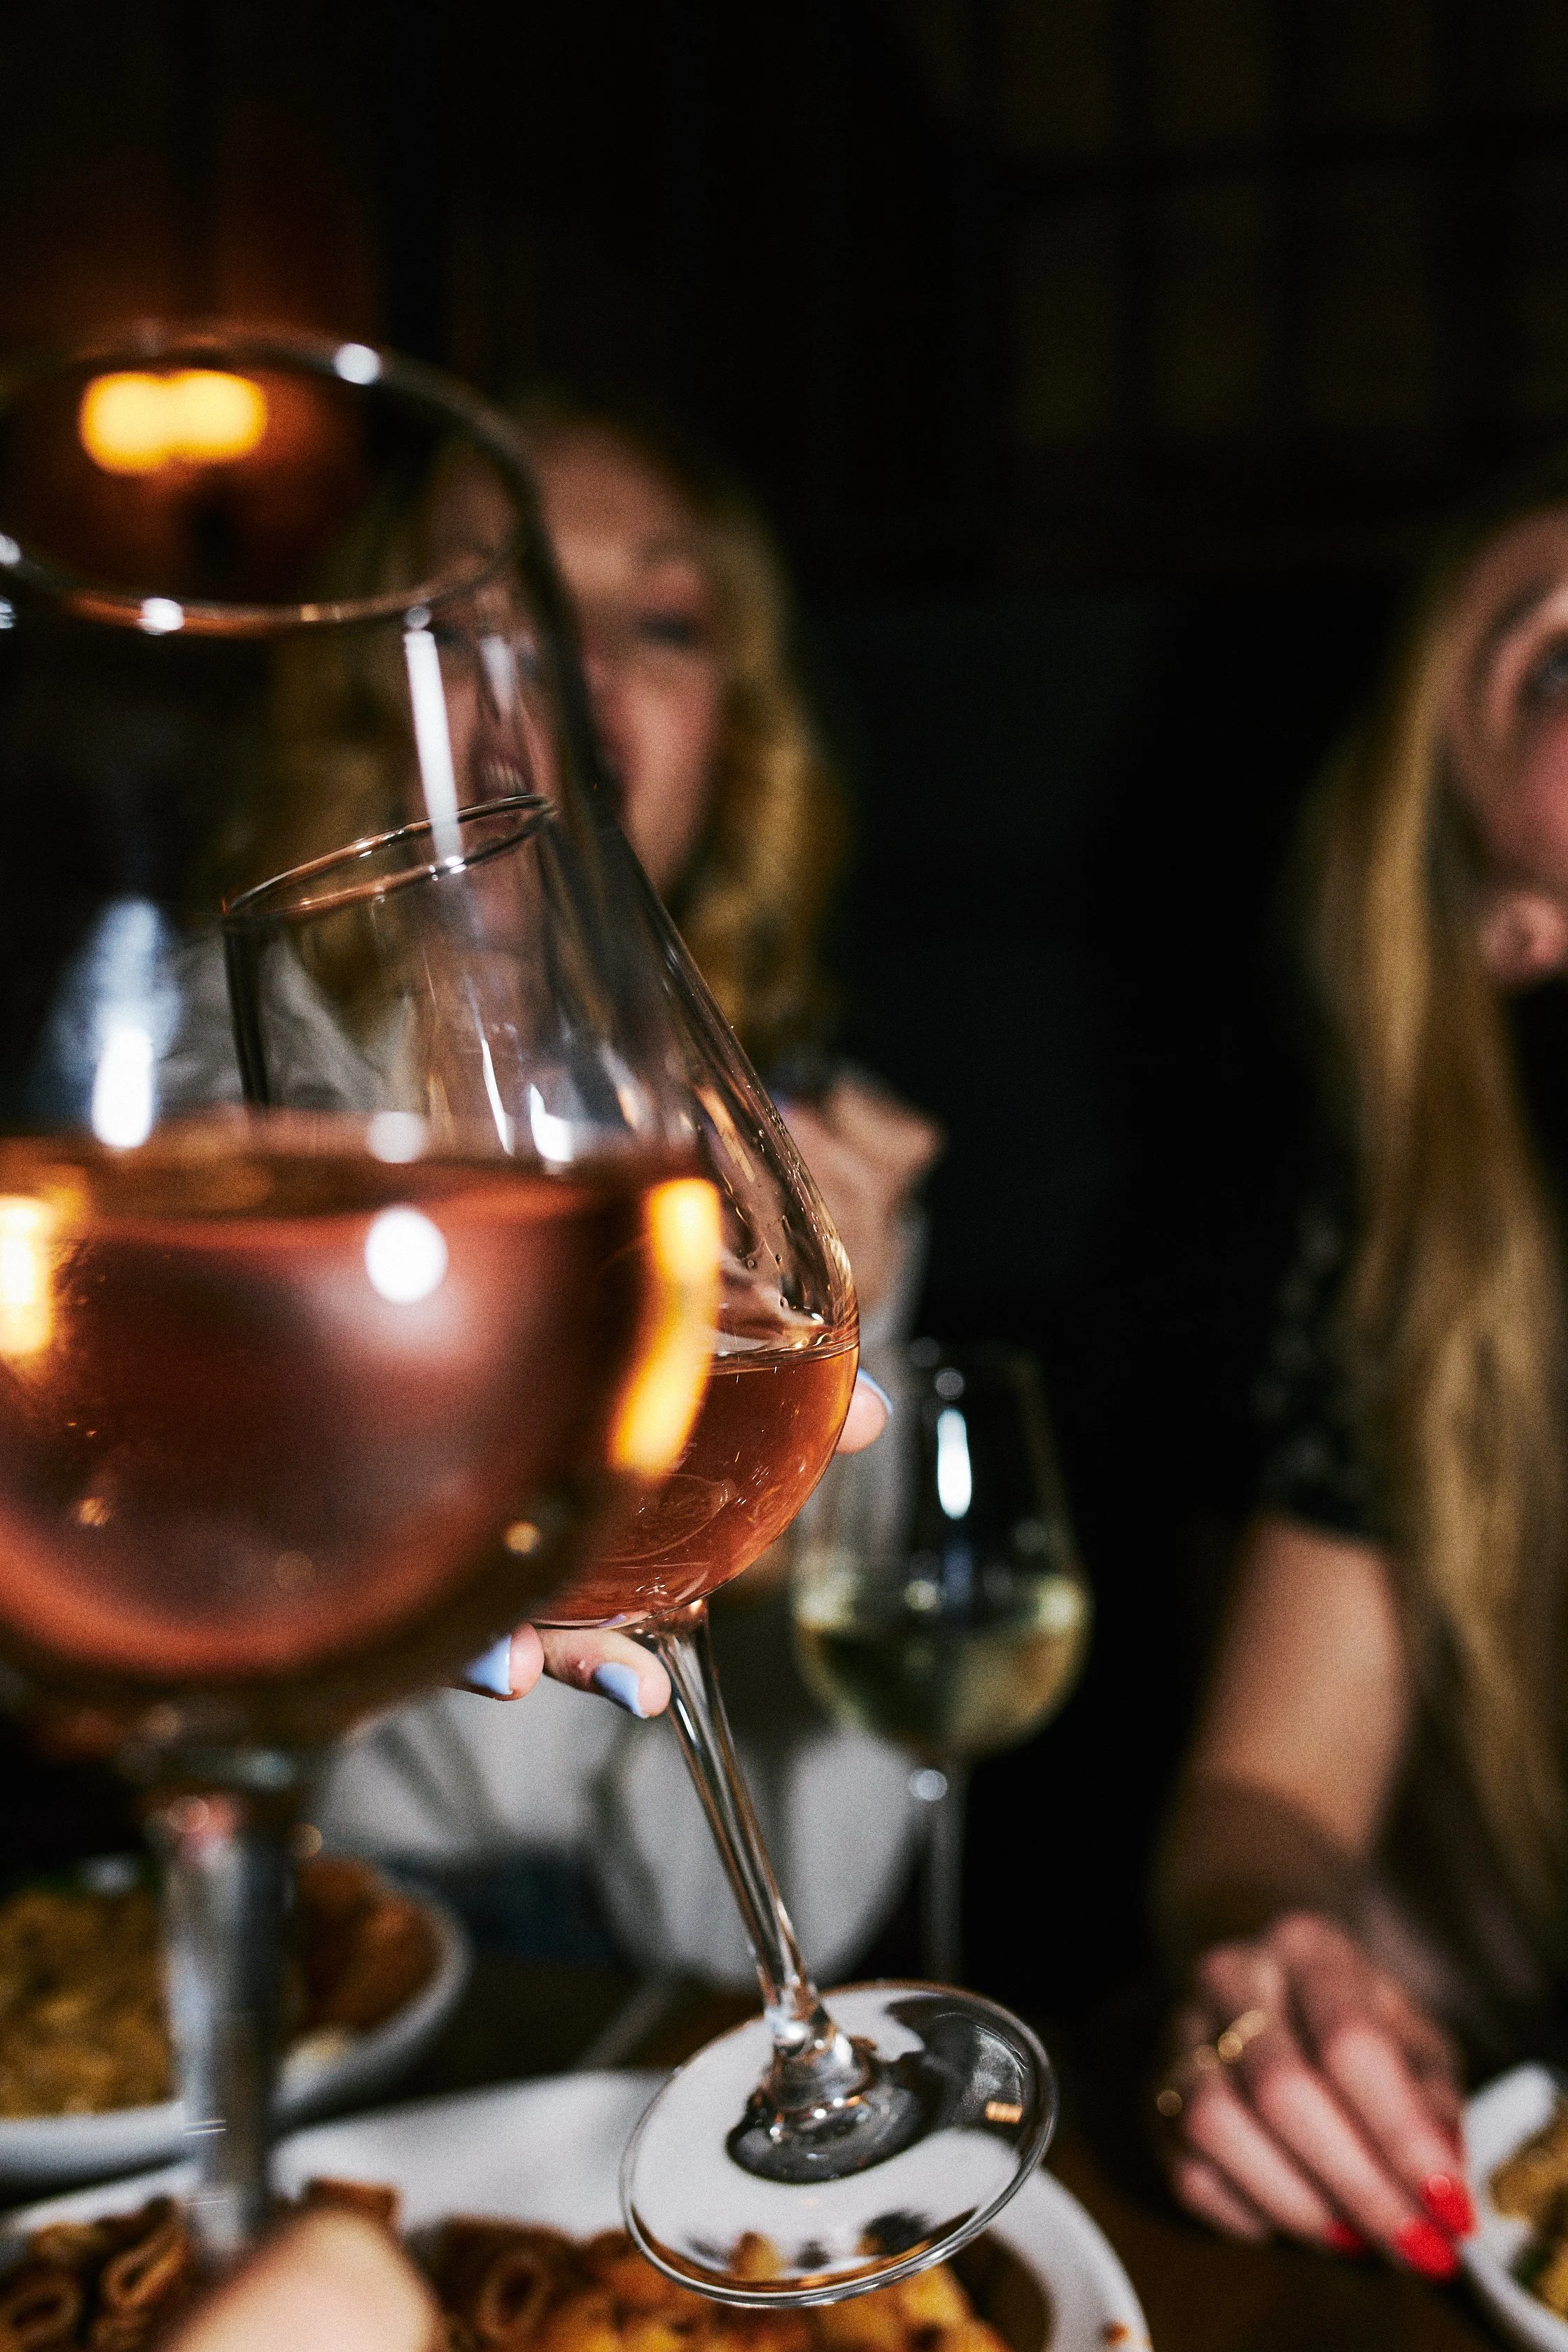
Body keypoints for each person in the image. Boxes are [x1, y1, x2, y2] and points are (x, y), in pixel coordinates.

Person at [316, 401, 940, 1983]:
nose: (577, 659)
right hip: (328, 1959)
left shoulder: (803, 1180)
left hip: (656, 2006)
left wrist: (791, 1513)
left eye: (660, 618)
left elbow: (737, 1918)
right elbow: (471, 1792)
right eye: (491, 606)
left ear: (735, 733)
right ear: (366, 691)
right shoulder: (216, 1147)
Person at [1153, 465, 1568, 2280]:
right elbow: (1264, 1808)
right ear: (1514, 920)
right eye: (1558, 669)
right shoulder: (1426, 1279)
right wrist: (1281, 1976)